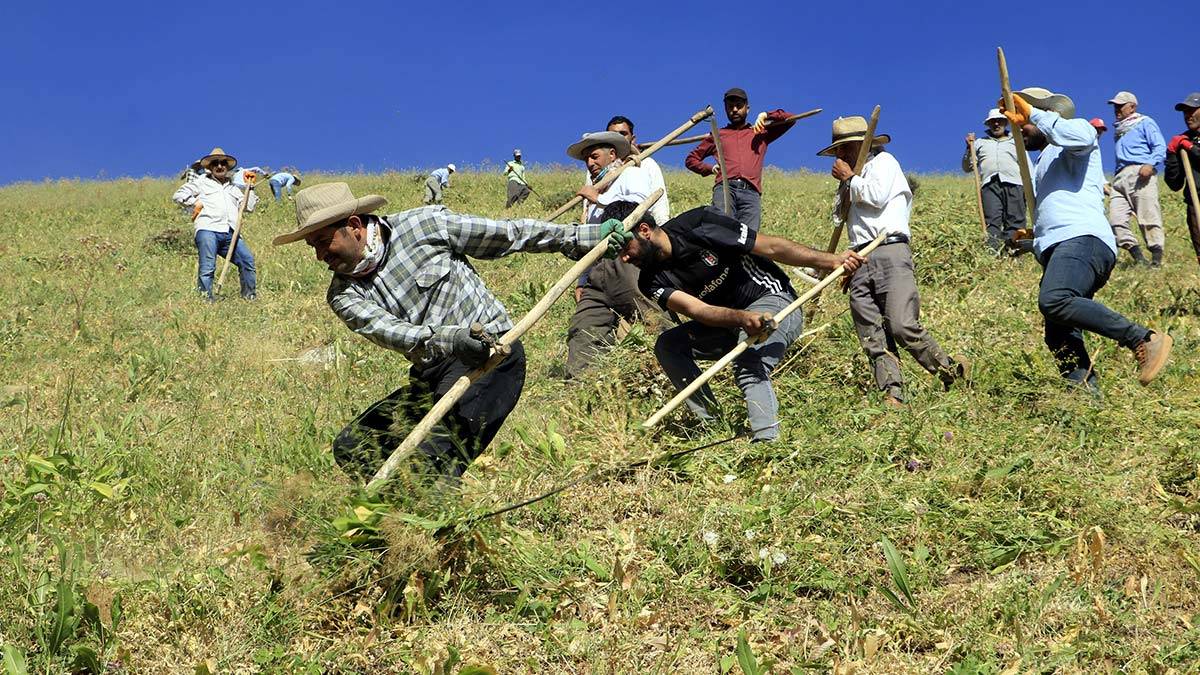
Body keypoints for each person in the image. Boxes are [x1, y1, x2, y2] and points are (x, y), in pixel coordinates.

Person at [272, 182, 624, 481]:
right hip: (433, 371)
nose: (320, 256)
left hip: (491, 358)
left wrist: (582, 236)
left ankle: (428, 527)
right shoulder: (343, 294)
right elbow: (392, 332)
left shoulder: (427, 226)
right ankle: (397, 518)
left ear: (354, 226)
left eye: (322, 241)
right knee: (354, 445)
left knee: (430, 460)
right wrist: (450, 339)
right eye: (313, 246)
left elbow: (509, 235)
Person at [611, 200, 863, 441]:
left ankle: (766, 441)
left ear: (643, 230)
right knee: (668, 345)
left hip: (772, 300)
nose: (623, 258)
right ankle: (711, 425)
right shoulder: (649, 280)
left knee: (748, 359)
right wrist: (741, 318)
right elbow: (700, 311)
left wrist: (831, 261)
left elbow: (771, 247)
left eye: (625, 248)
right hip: (729, 322)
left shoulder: (699, 224)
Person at [999, 87, 1172, 392]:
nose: (1019, 127)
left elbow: (1079, 137)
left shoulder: (1075, 135)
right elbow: (1058, 212)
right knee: (1059, 333)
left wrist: (1035, 114)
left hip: (1083, 240)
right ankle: (1083, 392)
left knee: (1055, 300)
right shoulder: (1044, 164)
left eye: (1022, 120)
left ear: (1048, 115)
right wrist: (1033, 238)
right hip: (1064, 244)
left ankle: (1143, 338)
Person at [822, 116, 968, 407]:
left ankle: (949, 370)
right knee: (872, 335)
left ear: (860, 146)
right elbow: (839, 217)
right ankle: (892, 392)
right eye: (837, 151)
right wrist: (846, 186)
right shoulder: (850, 180)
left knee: (902, 325)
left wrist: (850, 179)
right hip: (858, 258)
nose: (839, 156)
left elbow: (875, 197)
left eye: (844, 149)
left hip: (890, 251)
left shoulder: (884, 164)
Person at [564, 131, 658, 377]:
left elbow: (638, 211)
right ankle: (584, 384)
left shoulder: (631, 174)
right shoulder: (595, 190)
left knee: (651, 316)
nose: (590, 163)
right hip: (597, 271)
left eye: (594, 157)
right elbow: (589, 237)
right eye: (586, 160)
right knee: (583, 327)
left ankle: (665, 368)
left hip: (628, 261)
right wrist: (583, 279)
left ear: (612, 154)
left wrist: (599, 199)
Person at [685, 87, 800, 232]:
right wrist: (709, 168)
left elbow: (790, 119)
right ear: (725, 109)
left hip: (751, 193)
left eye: (739, 106)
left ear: (747, 108)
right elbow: (691, 159)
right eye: (730, 107)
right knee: (722, 232)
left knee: (749, 238)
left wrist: (765, 115)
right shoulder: (718, 134)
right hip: (725, 189)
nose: (734, 110)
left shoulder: (760, 132)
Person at [171, 147, 257, 300]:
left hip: (231, 231)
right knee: (208, 267)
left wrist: (249, 187)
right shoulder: (201, 182)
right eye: (215, 163)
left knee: (247, 261)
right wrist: (194, 203)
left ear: (227, 167)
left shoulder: (234, 188)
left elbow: (248, 207)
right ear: (210, 167)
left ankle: (249, 298)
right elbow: (179, 195)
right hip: (208, 229)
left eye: (223, 163)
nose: (219, 166)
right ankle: (205, 300)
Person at [1106, 91, 1167, 266]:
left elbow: (1159, 146)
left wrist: (1150, 164)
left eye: (1120, 105)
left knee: (1148, 215)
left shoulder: (1145, 122)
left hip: (1140, 172)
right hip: (1119, 177)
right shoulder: (1120, 128)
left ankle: (1156, 259)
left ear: (1132, 106)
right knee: (1116, 220)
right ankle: (1138, 258)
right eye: (1115, 106)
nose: (1117, 109)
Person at [962, 108, 1032, 255]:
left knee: (1015, 221)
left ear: (1005, 123)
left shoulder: (1016, 140)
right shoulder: (980, 143)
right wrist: (969, 149)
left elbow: (1026, 164)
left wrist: (1031, 186)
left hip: (1015, 183)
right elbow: (968, 167)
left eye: (999, 121)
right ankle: (992, 253)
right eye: (993, 122)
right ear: (988, 124)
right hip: (990, 185)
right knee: (992, 221)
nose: (996, 124)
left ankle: (1013, 254)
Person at [606, 115, 671, 225]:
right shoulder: (599, 168)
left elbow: (660, 204)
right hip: (605, 228)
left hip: (640, 227)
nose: (618, 138)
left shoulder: (647, 164)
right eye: (613, 134)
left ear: (633, 138)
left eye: (623, 134)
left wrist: (663, 227)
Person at [1164, 92, 1200, 266]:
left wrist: (1191, 147)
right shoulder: (1183, 141)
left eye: (1192, 110)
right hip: (1195, 203)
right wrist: (1171, 154)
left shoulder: (1187, 143)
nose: (1188, 115)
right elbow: (1174, 183)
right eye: (1185, 112)